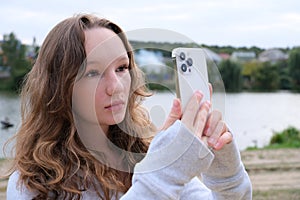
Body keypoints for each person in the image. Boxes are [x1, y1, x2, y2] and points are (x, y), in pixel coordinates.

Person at [5, 13, 252, 199]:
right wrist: (162, 178)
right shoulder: (31, 184)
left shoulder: (144, 157)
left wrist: (225, 173)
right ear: (59, 85)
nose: (116, 86)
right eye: (93, 72)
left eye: (122, 68)